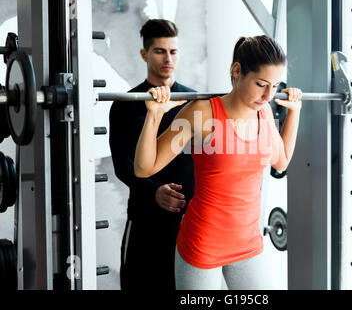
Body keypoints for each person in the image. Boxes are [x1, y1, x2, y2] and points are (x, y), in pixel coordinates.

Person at [134, 35, 302, 290]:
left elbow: (281, 162)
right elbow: (144, 167)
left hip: (248, 246)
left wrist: (294, 113)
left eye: (275, 86)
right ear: (237, 71)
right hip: (202, 246)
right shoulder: (201, 113)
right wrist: (154, 116)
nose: (268, 95)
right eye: (261, 84)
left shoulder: (265, 113)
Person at [109, 19, 195, 291]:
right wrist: (153, 191)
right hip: (146, 219)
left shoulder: (196, 101)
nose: (168, 58)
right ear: (144, 54)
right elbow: (123, 164)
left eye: (173, 51)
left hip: (190, 221)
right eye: (159, 51)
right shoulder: (126, 104)